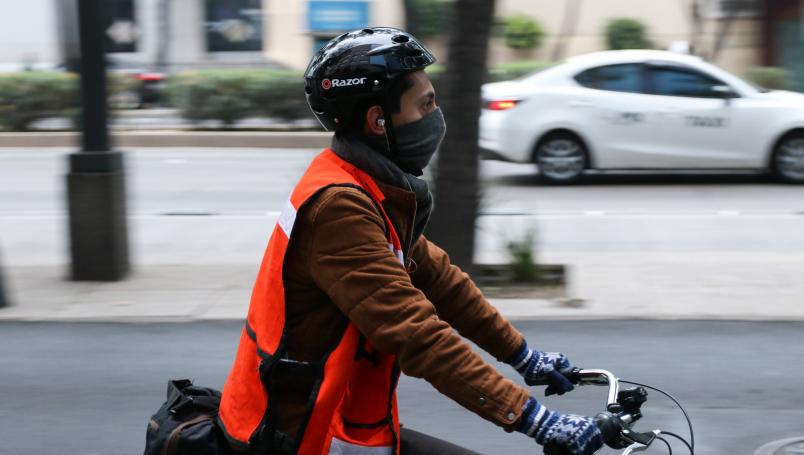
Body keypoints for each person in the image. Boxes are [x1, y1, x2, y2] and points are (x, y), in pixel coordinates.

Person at [218, 27, 604, 455]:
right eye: (426, 104)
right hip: (293, 432)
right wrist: (533, 418)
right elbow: (416, 334)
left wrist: (523, 356)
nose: (436, 115)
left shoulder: (371, 188)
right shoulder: (339, 208)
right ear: (377, 121)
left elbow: (441, 282)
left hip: (339, 417)